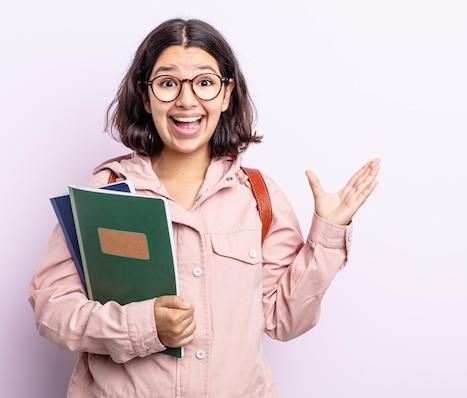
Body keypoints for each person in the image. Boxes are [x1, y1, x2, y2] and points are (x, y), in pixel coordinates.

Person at [28, 17, 380, 398]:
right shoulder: (107, 194)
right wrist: (145, 327)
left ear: (227, 94)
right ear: (145, 96)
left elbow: (286, 320)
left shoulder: (259, 197)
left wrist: (326, 234)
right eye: (167, 83)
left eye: (205, 82)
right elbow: (52, 310)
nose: (186, 100)